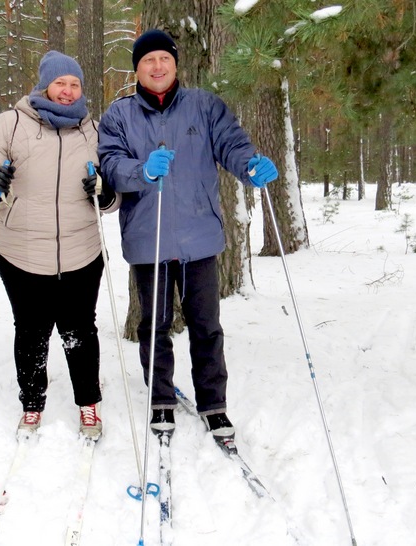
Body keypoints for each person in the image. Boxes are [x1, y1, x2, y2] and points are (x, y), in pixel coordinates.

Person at [97, 30, 279, 446]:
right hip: (149, 238)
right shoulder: (119, 115)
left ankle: (213, 404)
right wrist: (142, 171)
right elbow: (110, 163)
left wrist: (250, 166)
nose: (157, 66)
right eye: (148, 60)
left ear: (176, 64)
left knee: (206, 326)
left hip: (199, 236)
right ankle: (160, 398)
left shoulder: (205, 105)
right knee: (154, 326)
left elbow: (232, 145)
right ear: (137, 69)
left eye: (164, 58)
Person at [0, 51, 119, 441]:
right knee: (32, 331)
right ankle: (32, 403)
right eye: (60, 83)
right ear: (44, 85)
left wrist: (104, 193)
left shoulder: (94, 130)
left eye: (74, 84)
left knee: (80, 330)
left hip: (81, 249)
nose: (67, 91)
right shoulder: (12, 123)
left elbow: (112, 191)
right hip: (21, 250)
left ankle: (88, 403)